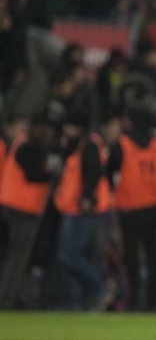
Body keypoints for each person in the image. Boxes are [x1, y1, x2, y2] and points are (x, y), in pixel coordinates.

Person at [108, 103, 156, 311]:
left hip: (130, 208)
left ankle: (133, 303)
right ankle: (153, 303)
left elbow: (110, 173)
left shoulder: (121, 145)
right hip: (154, 207)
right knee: (153, 257)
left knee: (131, 257)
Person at [54, 111, 112, 311]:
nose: (65, 129)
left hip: (82, 210)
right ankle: (74, 302)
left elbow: (94, 172)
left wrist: (88, 197)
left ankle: (100, 289)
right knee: (73, 255)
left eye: (69, 126)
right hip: (72, 208)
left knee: (68, 255)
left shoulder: (88, 145)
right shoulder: (78, 144)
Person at [0, 117, 55, 308]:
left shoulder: (21, 144)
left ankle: (15, 297)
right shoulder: (26, 147)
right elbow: (34, 175)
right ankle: (5, 298)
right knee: (15, 257)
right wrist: (53, 175)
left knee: (15, 257)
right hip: (20, 209)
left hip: (16, 207)